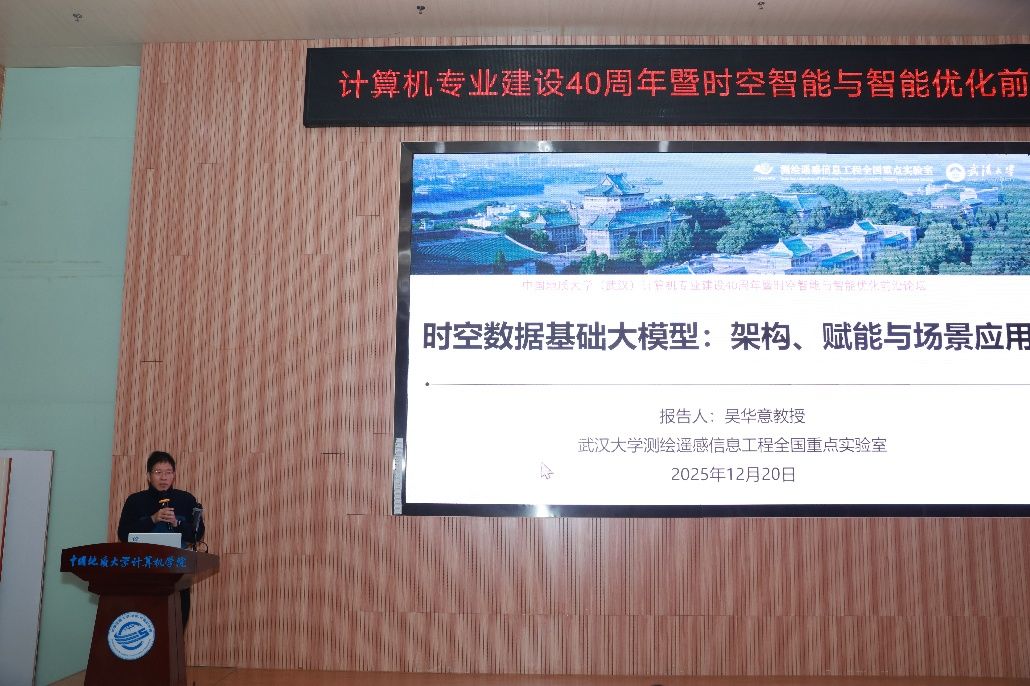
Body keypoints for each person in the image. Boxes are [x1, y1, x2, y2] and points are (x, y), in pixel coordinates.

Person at [117, 450, 205, 628]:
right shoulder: (135, 501)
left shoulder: (186, 500)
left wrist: (177, 523)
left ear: (174, 475)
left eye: (168, 472)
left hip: (177, 573)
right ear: (148, 475)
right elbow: (123, 534)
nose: (164, 477)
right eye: (158, 472)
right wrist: (152, 519)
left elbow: (197, 533)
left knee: (176, 625)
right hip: (144, 572)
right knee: (145, 625)